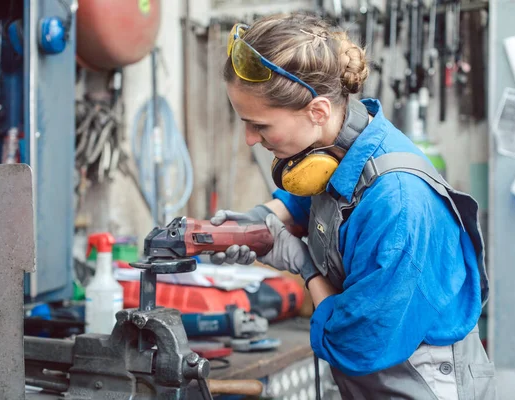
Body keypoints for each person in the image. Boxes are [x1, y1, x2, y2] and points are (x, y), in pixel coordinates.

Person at [209, 12, 497, 400]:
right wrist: (254, 224)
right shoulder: (341, 144)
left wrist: (305, 265)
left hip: (420, 382)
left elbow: (357, 340)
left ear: (318, 111)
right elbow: (306, 198)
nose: (248, 139)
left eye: (260, 126)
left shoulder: (398, 204)